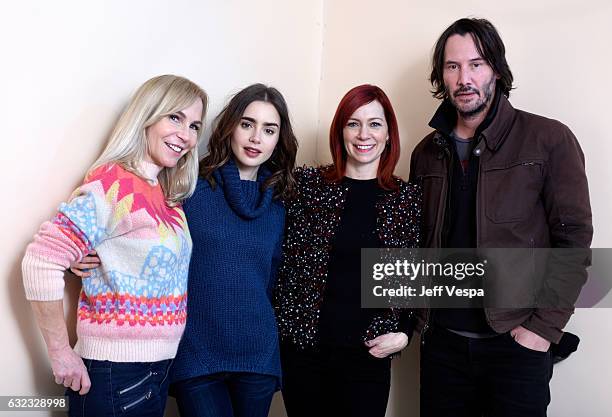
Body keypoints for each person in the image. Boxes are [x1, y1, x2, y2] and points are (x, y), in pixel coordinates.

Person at [72, 83, 299, 417]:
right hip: (197, 352)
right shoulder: (188, 186)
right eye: (247, 124)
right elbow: (142, 229)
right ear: (230, 127)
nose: (255, 138)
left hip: (257, 354)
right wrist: (88, 249)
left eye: (269, 130)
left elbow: (273, 281)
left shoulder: (280, 205)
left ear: (278, 140)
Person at [409, 18, 593, 417]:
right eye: (452, 66)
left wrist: (542, 331)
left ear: (496, 68)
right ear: (441, 74)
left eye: (476, 64)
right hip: (442, 348)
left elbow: (574, 242)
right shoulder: (425, 153)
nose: (464, 78)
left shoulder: (548, 139)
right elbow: (418, 247)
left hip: (514, 348)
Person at [22, 74, 208, 417]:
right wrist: (61, 352)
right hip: (116, 373)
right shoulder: (113, 183)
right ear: (147, 116)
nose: (186, 135)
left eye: (195, 125)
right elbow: (40, 261)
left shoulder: (165, 193)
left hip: (157, 368)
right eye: (175, 117)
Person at [274, 84, 422, 417]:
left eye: (374, 123)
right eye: (353, 123)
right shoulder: (307, 185)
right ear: (340, 132)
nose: (363, 134)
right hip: (303, 353)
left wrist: (405, 334)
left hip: (367, 356)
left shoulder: (405, 199)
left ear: (388, 134)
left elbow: (411, 280)